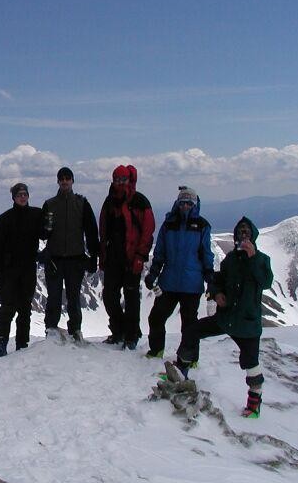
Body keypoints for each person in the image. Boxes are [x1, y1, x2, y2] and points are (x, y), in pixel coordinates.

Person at [167, 216, 273, 418]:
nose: (243, 236)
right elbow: (217, 280)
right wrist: (216, 294)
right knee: (192, 331)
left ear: (253, 237)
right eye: (240, 233)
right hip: (227, 317)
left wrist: (253, 257)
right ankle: (181, 371)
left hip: (247, 323)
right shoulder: (231, 260)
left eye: (246, 233)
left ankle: (254, 404)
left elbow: (266, 281)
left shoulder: (261, 259)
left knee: (251, 362)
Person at [144, 186, 214, 360]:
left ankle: (189, 358)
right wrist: (153, 273)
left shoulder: (202, 226)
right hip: (169, 281)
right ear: (177, 203)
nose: (185, 206)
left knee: (189, 324)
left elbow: (206, 253)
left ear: (194, 204)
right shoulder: (169, 225)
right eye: (182, 203)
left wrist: (210, 278)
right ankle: (156, 350)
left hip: (191, 284)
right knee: (156, 317)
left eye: (189, 203)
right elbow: (160, 252)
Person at [0, 183, 45, 358]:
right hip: (8, 270)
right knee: (7, 307)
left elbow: (45, 234)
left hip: (28, 268)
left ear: (28, 196)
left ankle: (21, 345)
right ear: (14, 198)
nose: (22, 197)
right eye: (19, 195)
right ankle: (0, 344)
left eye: (24, 194)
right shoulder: (4, 220)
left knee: (25, 308)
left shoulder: (36, 215)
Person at [98, 165, 155, 349]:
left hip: (132, 258)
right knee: (109, 296)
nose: (120, 183)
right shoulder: (110, 202)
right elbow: (103, 229)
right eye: (117, 180)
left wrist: (140, 255)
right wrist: (103, 255)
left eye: (123, 180)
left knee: (131, 298)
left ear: (129, 180)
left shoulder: (139, 201)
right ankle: (119, 330)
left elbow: (148, 231)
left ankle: (131, 335)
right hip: (113, 258)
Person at [41, 166, 99, 342]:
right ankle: (51, 329)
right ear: (58, 181)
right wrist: (46, 230)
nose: (65, 181)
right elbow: (42, 233)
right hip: (55, 259)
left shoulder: (81, 203)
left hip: (75, 259)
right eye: (62, 179)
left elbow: (91, 231)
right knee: (54, 297)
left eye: (68, 178)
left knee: (73, 297)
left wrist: (94, 255)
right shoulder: (50, 204)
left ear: (73, 181)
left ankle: (75, 330)